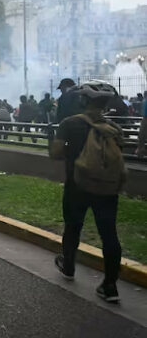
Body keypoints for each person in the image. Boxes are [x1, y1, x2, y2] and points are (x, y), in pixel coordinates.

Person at [50, 81, 126, 302]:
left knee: (73, 226)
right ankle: (110, 285)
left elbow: (55, 153)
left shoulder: (70, 124)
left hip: (77, 185)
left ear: (83, 100)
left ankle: (69, 266)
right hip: (107, 189)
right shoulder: (113, 128)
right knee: (109, 234)